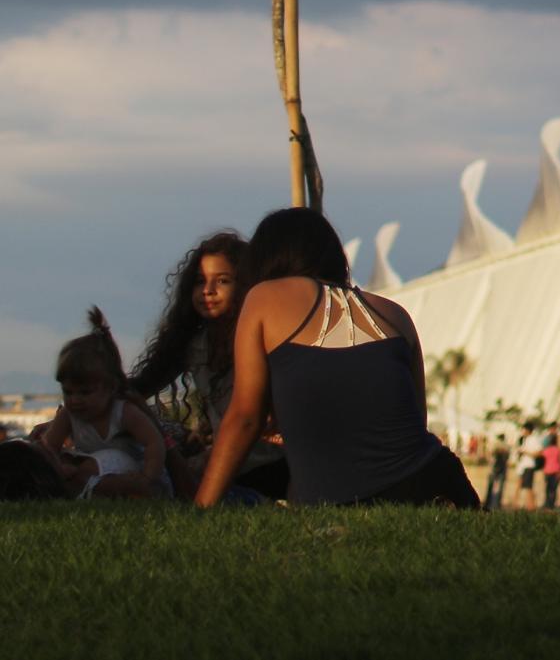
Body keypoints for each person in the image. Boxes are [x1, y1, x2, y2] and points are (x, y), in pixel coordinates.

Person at [193, 208, 476, 508]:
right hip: (440, 485)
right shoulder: (395, 314)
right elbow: (413, 422)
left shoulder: (265, 297)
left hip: (344, 502)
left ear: (263, 259)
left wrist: (201, 509)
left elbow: (245, 418)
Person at [126, 230, 288, 502]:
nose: (208, 291)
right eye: (200, 281)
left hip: (268, 464)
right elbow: (142, 384)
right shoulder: (195, 344)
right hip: (226, 464)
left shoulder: (264, 339)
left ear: (245, 285)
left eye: (222, 281)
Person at [31, 309, 172, 499]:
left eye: (85, 392)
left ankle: (119, 491)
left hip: (133, 470)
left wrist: (147, 477)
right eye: (68, 392)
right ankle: (85, 488)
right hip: (92, 466)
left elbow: (154, 442)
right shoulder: (68, 415)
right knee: (68, 463)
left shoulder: (123, 412)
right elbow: (49, 448)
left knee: (90, 468)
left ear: (111, 388)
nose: (75, 400)